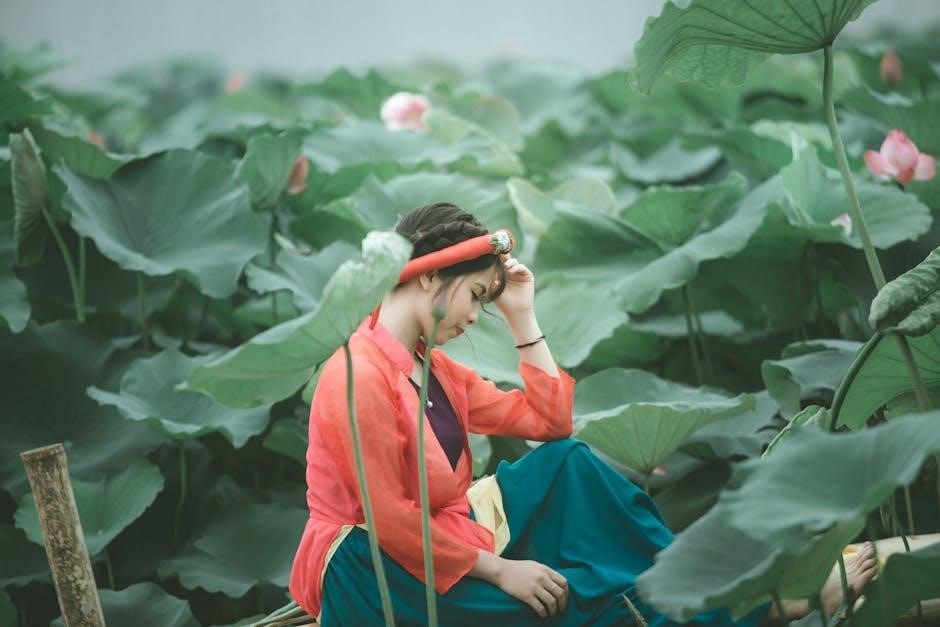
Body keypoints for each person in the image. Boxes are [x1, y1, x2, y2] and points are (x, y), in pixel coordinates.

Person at [288, 203, 876, 626]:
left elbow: (550, 425)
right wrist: (500, 571)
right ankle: (761, 605)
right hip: (374, 567)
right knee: (571, 601)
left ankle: (701, 585)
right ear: (432, 276)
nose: (473, 317)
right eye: (476, 296)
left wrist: (522, 316)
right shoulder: (357, 373)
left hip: (448, 528)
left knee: (569, 463)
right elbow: (390, 521)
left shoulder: (433, 367)